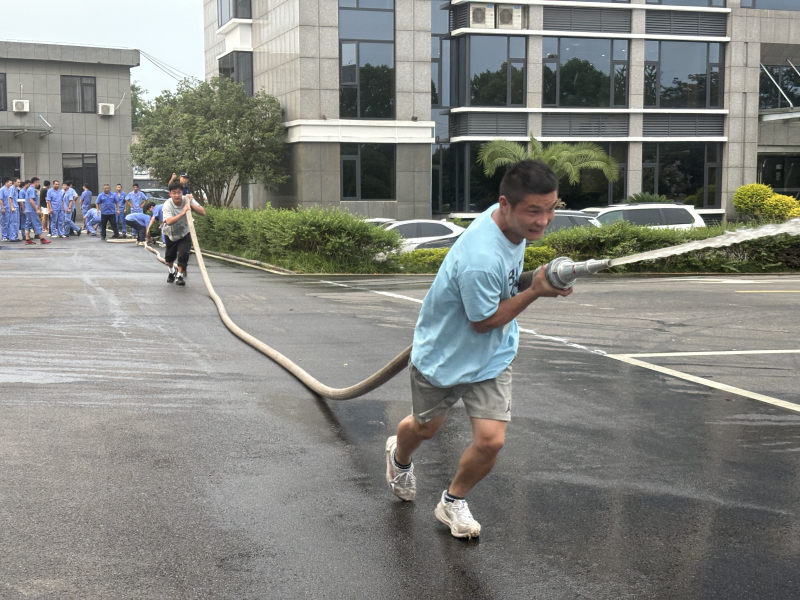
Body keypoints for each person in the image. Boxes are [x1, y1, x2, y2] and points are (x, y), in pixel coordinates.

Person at [384, 160, 572, 539]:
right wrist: (536, 291)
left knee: (491, 441)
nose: (543, 220)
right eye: (533, 211)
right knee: (425, 429)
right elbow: (483, 321)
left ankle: (452, 501)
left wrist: (540, 278)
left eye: (550, 208)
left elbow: (505, 285)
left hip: (492, 357)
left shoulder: (508, 224)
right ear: (505, 204)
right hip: (444, 358)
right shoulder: (480, 260)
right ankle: (399, 458)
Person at [162, 181, 205, 286]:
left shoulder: (187, 199)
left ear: (182, 192)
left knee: (184, 253)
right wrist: (182, 213)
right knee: (170, 256)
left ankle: (180, 276)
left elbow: (202, 212)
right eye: (174, 193)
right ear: (170, 194)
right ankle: (171, 271)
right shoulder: (167, 204)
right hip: (170, 233)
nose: (177, 195)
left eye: (179, 192)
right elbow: (168, 221)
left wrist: (190, 204)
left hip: (184, 232)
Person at [23, 178, 50, 245]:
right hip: (32, 210)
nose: (39, 184)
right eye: (38, 182)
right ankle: (42, 239)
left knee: (28, 224)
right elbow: (31, 200)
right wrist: (37, 209)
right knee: (37, 223)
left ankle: (27, 239)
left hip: (28, 210)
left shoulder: (29, 189)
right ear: (35, 182)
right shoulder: (32, 190)